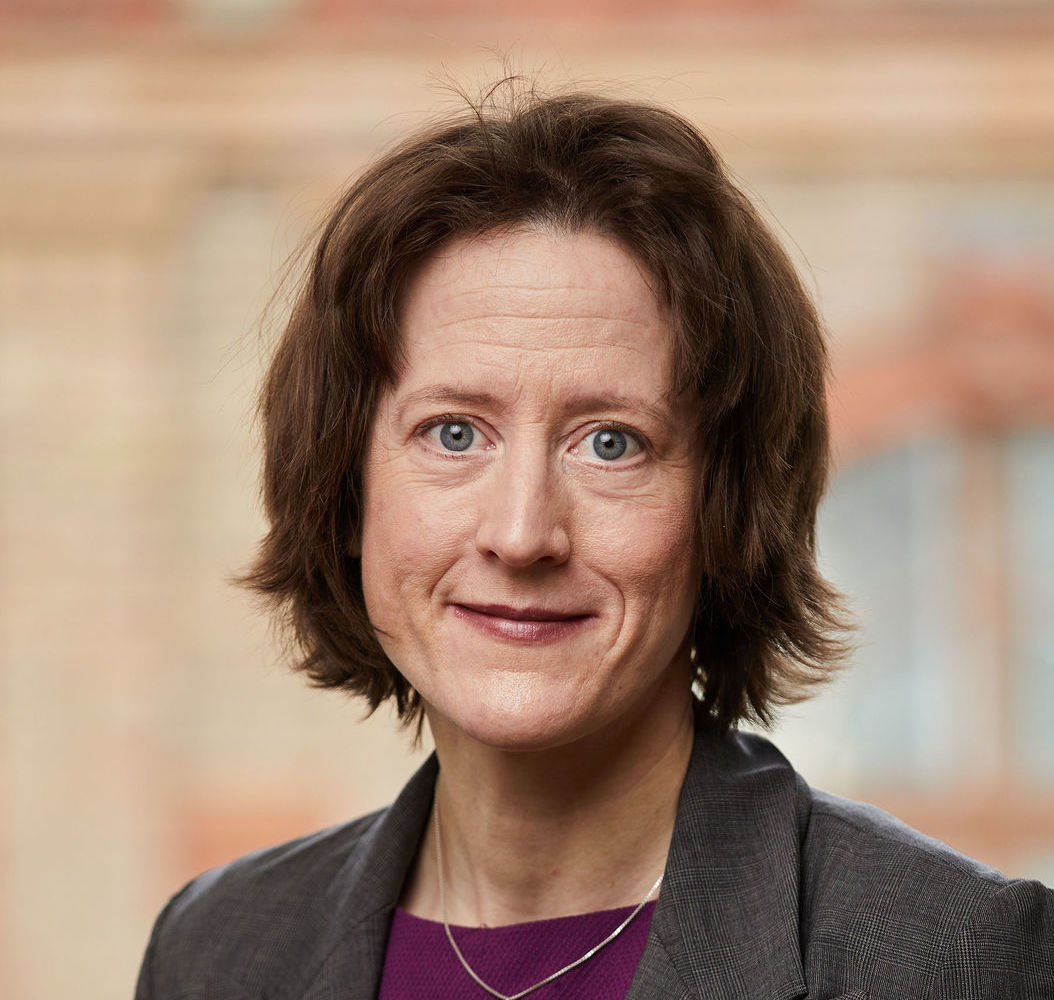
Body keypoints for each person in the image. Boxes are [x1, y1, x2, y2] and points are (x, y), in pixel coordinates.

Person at [135, 86, 1054, 1000]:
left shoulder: (957, 960)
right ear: (347, 489)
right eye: (454, 433)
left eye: (611, 443)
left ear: (727, 511)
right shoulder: (218, 950)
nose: (522, 533)